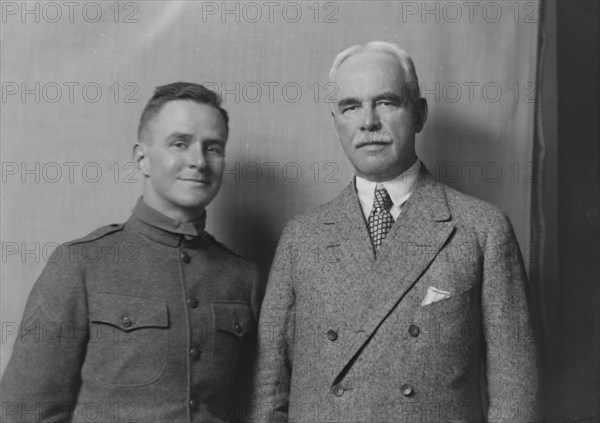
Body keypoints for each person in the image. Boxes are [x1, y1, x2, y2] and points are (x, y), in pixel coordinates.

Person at [253, 42, 539, 422]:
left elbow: (514, 394)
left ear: (419, 114)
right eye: (351, 106)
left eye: (386, 102)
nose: (368, 121)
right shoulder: (300, 238)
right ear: (335, 121)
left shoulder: (482, 230)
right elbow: (269, 393)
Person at [1, 82, 260, 422]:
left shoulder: (243, 276)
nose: (199, 161)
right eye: (179, 144)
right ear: (142, 158)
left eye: (213, 148)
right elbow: (25, 411)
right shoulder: (81, 264)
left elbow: (251, 405)